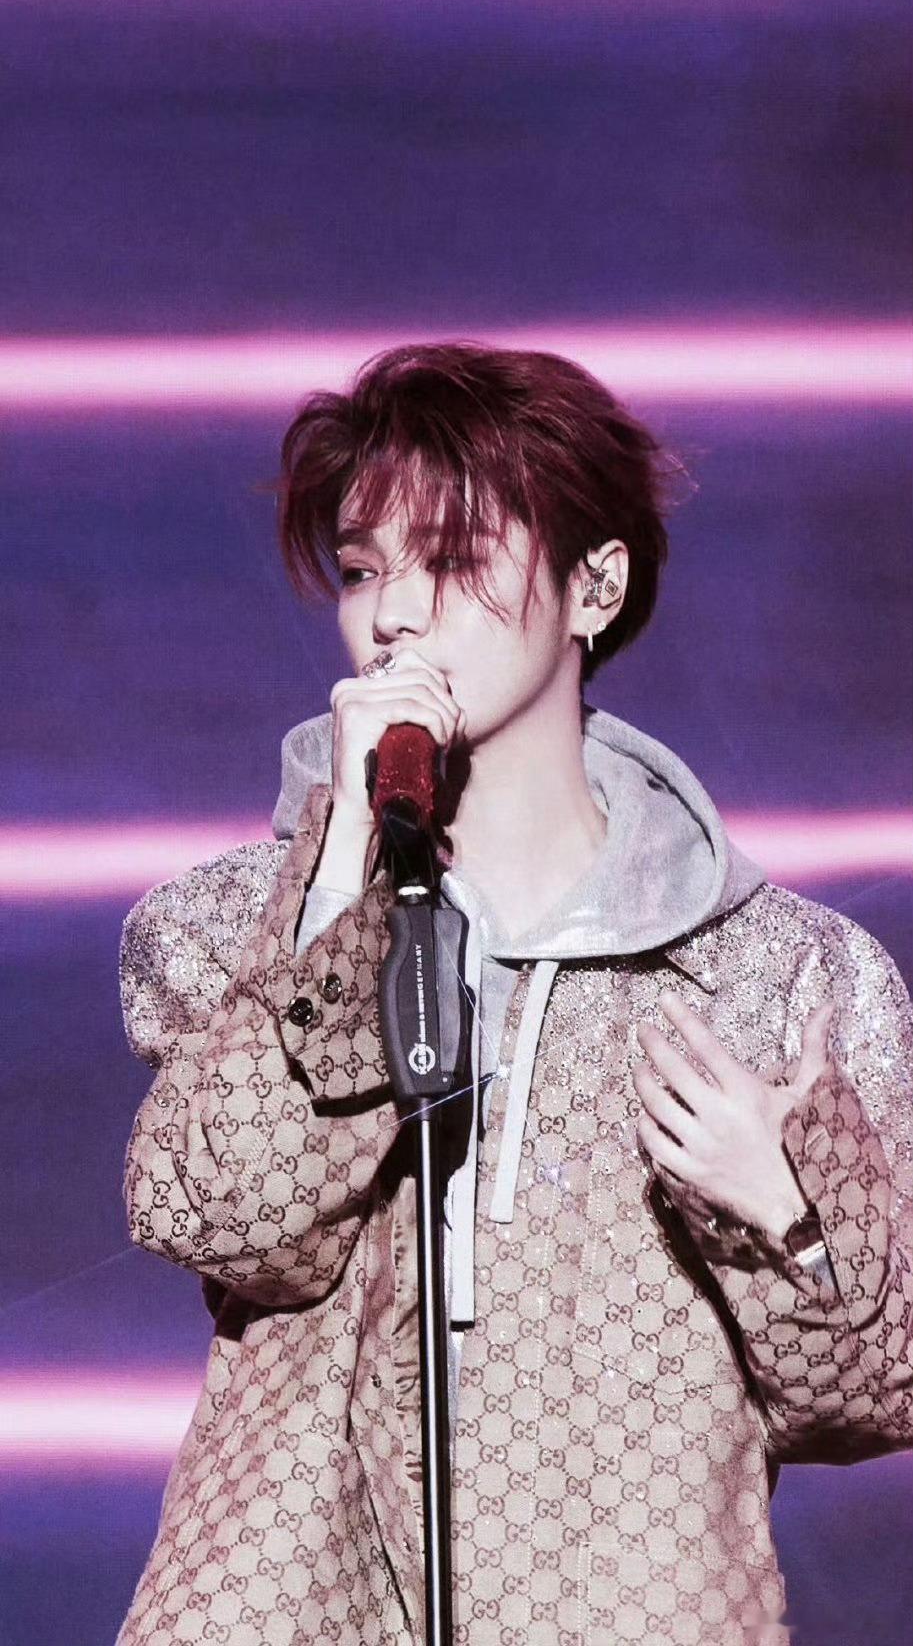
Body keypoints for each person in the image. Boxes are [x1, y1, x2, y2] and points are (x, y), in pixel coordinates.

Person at [117, 343, 913, 1646]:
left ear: (593, 584)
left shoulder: (776, 977)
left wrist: (781, 1208)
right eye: (363, 570)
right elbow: (222, 1221)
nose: (394, 614)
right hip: (306, 1602)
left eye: (449, 560)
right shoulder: (233, 927)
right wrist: (344, 871)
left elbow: (883, 1390)